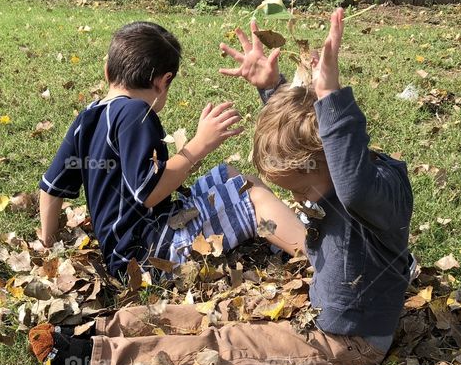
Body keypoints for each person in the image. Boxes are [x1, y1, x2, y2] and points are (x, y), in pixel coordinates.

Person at [29, 9, 412, 365]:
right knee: (205, 319)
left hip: (346, 342)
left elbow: (350, 179)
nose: (303, 201)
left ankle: (97, 355)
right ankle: (97, 328)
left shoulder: (365, 193)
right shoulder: (336, 174)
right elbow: (306, 135)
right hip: (314, 302)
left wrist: (331, 96)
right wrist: (272, 89)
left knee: (224, 343)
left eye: (303, 189)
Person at [37, 21, 305, 278]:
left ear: (108, 70)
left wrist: (47, 243)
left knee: (229, 175)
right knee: (252, 194)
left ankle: (279, 238)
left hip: (125, 252)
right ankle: (314, 257)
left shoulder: (88, 117)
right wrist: (198, 146)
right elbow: (150, 192)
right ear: (163, 81)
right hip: (152, 254)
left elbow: (51, 187)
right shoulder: (136, 113)